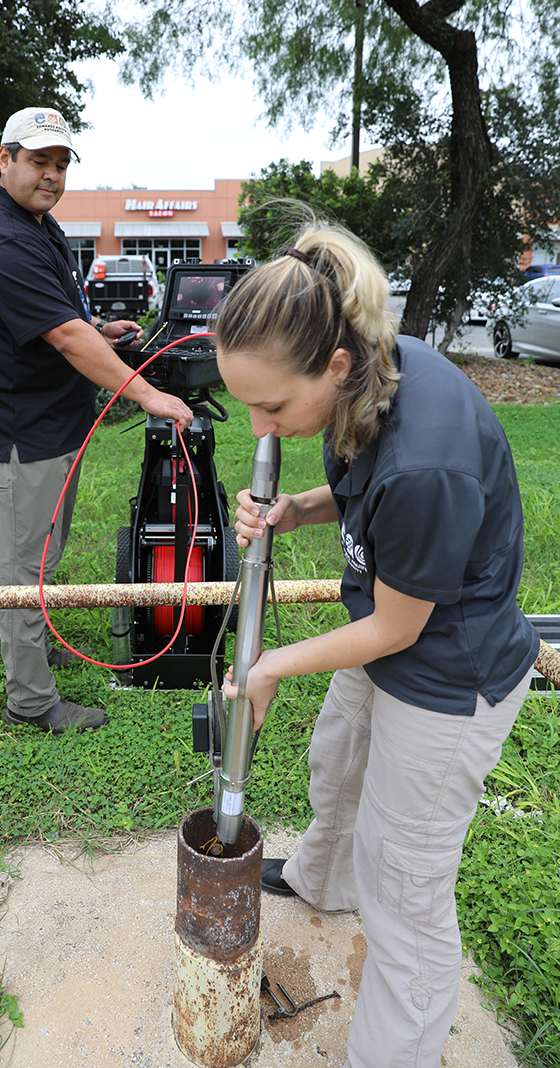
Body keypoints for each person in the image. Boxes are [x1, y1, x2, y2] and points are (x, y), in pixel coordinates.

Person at [216, 216, 538, 1068]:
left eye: (273, 406)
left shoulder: (424, 461)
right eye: (244, 401)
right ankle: (325, 881)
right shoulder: (369, 371)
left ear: (335, 365)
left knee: (407, 889)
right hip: (393, 635)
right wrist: (294, 509)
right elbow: (357, 489)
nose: (259, 426)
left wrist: (273, 660)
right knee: (339, 757)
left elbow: (400, 625)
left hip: (445, 672)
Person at [0, 105, 193, 734]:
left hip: (53, 427)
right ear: (4, 159)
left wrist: (101, 330)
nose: (52, 175)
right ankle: (31, 701)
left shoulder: (36, 224)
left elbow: (63, 321)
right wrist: (148, 395)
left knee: (42, 551)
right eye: (39, 162)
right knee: (19, 569)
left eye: (61, 164)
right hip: (20, 436)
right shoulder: (2, 239)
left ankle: (36, 645)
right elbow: (63, 336)